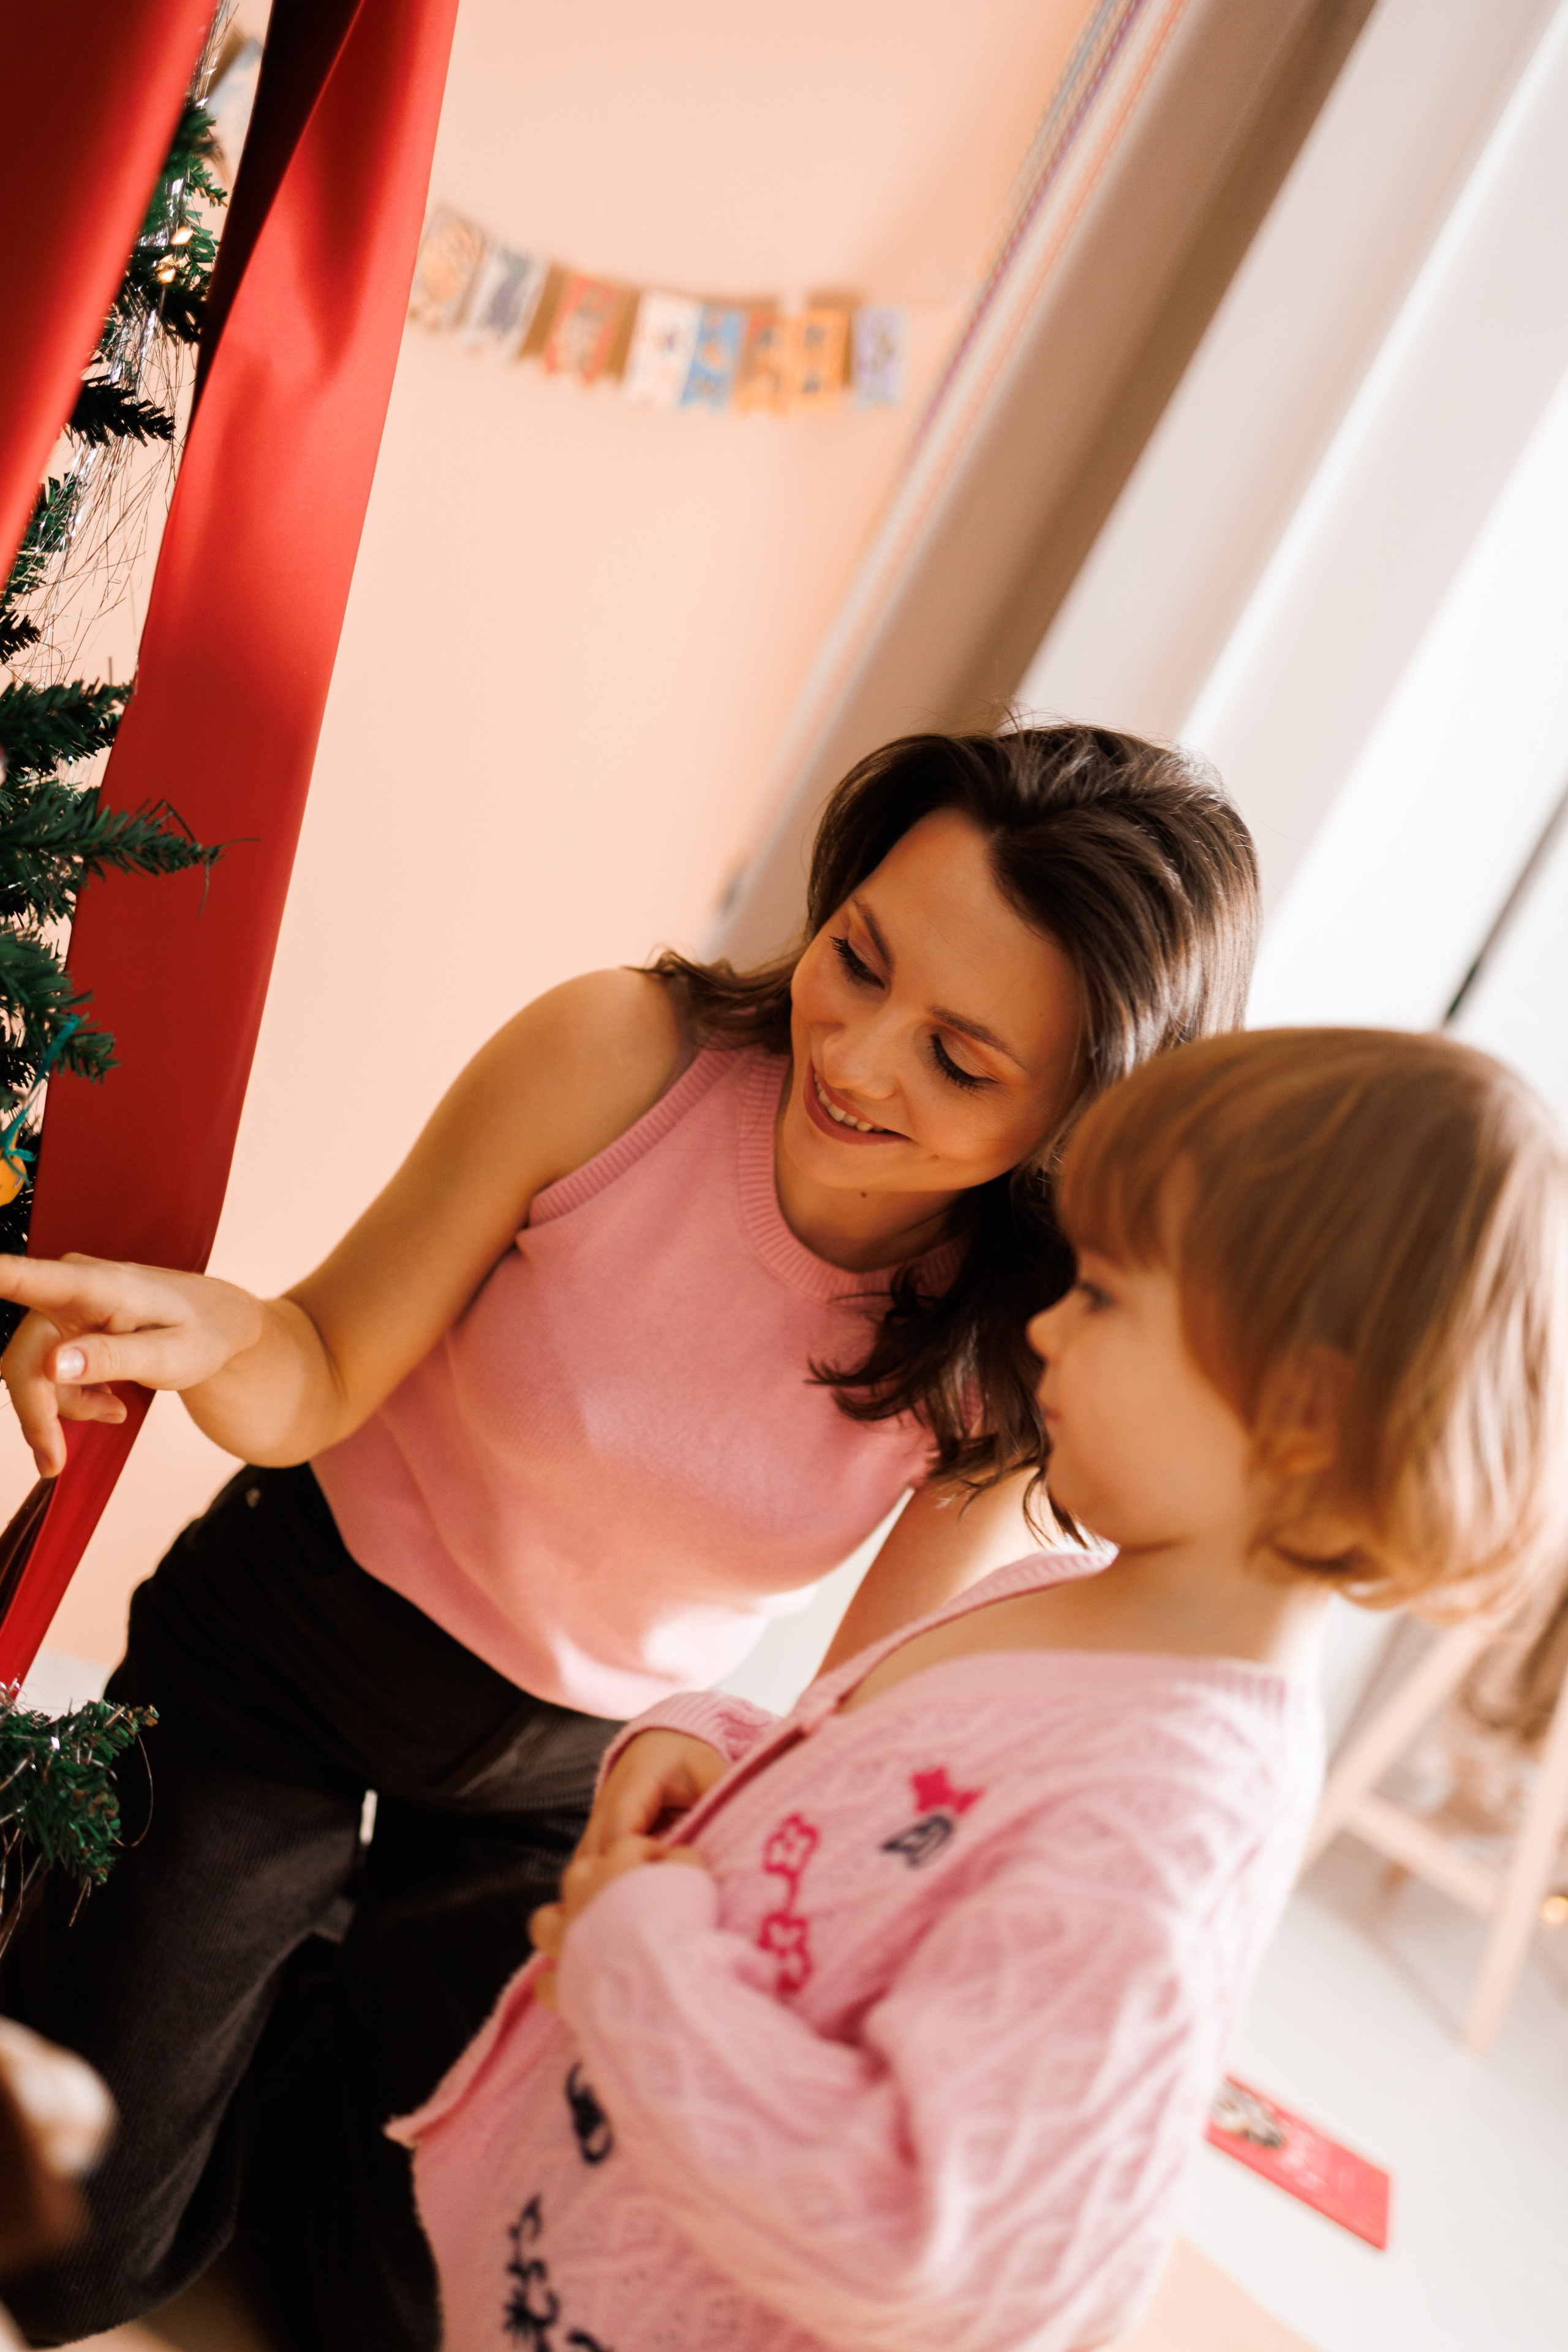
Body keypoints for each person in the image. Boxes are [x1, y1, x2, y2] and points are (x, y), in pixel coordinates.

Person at [0, 727, 1258, 2342]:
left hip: (570, 1778)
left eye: (961, 1059)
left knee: (411, 2296)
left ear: (1076, 1122)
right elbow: (311, 1367)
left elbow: (860, 1711)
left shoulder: (1015, 1350)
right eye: (858, 958)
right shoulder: (623, 1052)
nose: (860, 1058)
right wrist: (189, 1331)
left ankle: (275, 1969)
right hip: (294, 1651)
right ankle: (157, 1915)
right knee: (72, 2262)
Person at [390, 1027, 1568, 2352]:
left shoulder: (1164, 1822)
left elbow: (909, 2235)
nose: (1048, 1322)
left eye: (1109, 1297)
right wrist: (703, 1747)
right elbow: (874, 1788)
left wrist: (642, 1949)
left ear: (1297, 1409)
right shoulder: (1083, 1597)